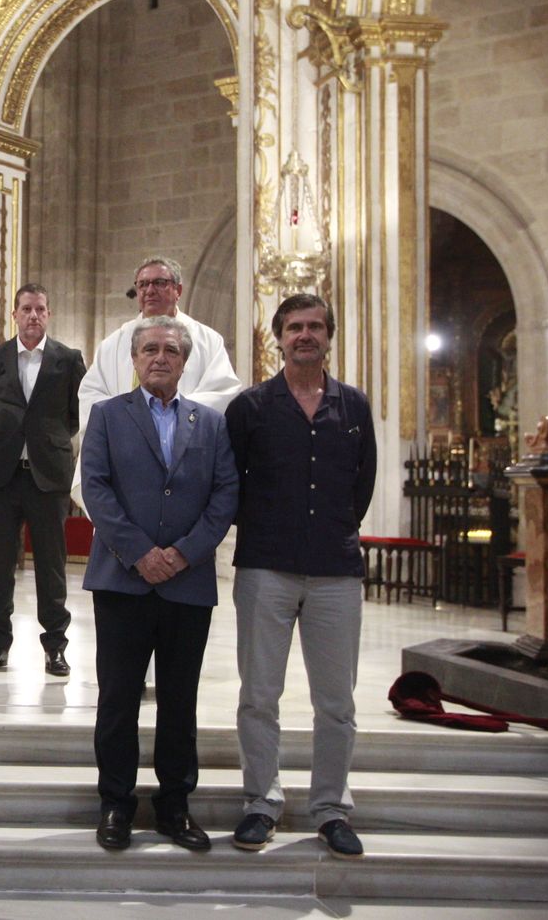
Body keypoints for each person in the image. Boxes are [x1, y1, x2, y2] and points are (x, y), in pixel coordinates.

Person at [225, 293, 377, 859]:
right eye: (295, 327)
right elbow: (230, 485)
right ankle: (261, 804)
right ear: (278, 337)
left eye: (315, 326)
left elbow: (362, 486)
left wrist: (330, 530)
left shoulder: (354, 406)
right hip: (266, 566)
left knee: (336, 701)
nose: (305, 335)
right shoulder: (252, 407)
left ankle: (331, 809)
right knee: (260, 694)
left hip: (335, 571)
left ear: (329, 336)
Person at [80, 316, 238, 852]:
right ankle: (116, 803)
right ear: (134, 357)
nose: (160, 358)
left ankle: (175, 805)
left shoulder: (210, 423)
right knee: (118, 698)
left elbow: (224, 496)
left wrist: (183, 554)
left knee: (180, 699)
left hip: (186, 584)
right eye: (149, 349)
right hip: (123, 581)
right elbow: (96, 490)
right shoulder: (107, 416)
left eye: (170, 350)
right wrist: (140, 553)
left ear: (185, 360)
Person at [0, 283, 85, 677]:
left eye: (40, 308)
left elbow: (74, 416)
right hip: (5, 476)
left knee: (52, 566)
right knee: (0, 564)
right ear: (15, 315)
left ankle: (55, 646)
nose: (33, 315)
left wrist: (44, 442)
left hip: (48, 477)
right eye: (26, 309)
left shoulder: (68, 359)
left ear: (48, 314)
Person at [73, 255, 240, 508]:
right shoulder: (113, 344)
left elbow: (223, 392)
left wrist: (170, 418)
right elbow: (91, 394)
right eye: (143, 284)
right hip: (125, 459)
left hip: (183, 460)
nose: (150, 290)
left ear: (178, 290)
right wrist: (126, 423)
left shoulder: (207, 340)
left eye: (160, 283)